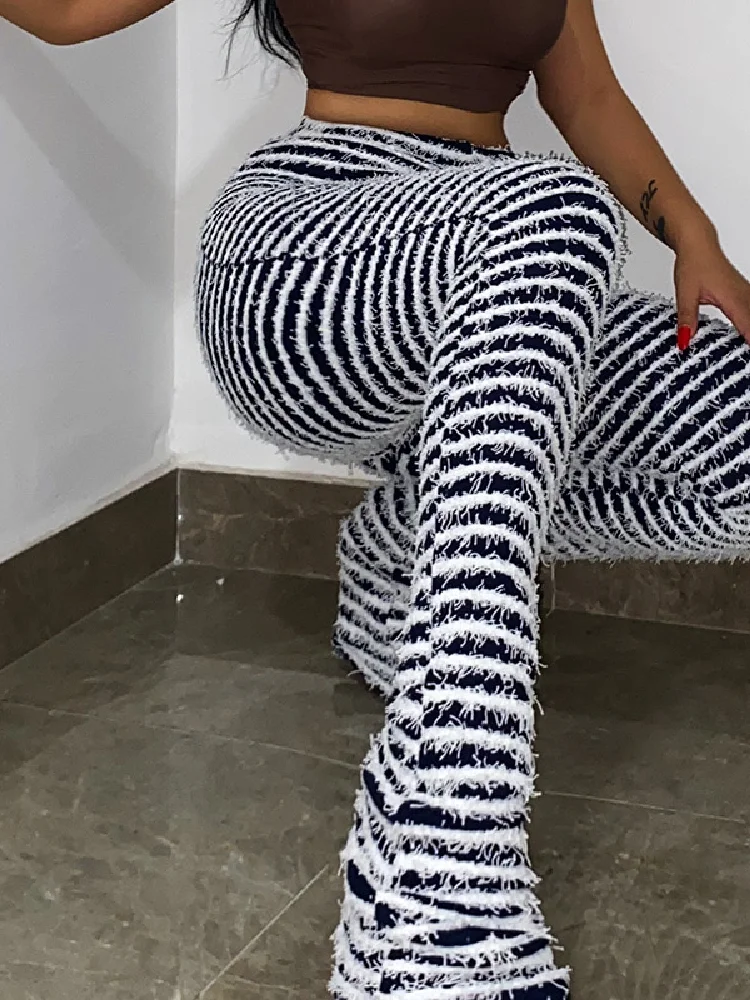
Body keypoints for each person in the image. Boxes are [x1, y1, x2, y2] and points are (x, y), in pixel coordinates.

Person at [5, 0, 750, 997]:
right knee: (557, 208)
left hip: (508, 279)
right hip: (310, 255)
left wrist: (697, 237)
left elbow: (593, 99)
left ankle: (400, 555)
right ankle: (439, 874)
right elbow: (63, 11)